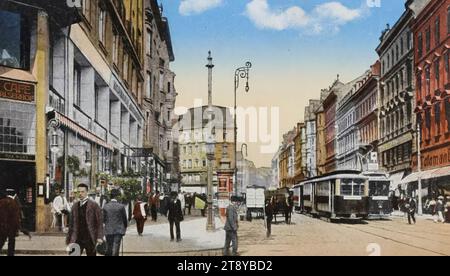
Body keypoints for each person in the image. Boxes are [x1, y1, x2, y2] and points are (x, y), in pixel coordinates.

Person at [67, 183, 104, 256]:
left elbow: (99, 222)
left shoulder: (94, 205)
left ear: (87, 192)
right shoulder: (75, 206)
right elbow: (71, 223)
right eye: (79, 192)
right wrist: (69, 238)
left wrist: (100, 237)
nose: (80, 194)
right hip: (77, 237)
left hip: (90, 236)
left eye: (82, 191)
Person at [103, 189, 127, 256]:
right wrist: (124, 228)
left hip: (108, 230)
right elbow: (124, 219)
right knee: (116, 247)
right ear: (117, 197)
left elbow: (103, 219)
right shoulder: (121, 206)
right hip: (118, 230)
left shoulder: (105, 206)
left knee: (109, 247)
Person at [0, 189, 21, 256]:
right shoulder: (14, 203)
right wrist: (17, 227)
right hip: (12, 226)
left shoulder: (1, 202)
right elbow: (16, 216)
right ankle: (10, 254)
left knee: (1, 240)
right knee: (11, 241)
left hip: (3, 225)